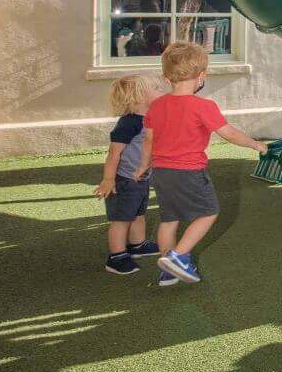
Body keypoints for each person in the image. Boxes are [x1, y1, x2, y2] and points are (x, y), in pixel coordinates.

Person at [135, 42, 268, 286]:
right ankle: (178, 256)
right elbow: (229, 134)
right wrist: (255, 144)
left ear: (166, 78)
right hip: (188, 172)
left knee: (169, 219)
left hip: (161, 172)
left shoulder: (157, 106)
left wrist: (143, 166)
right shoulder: (203, 106)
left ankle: (168, 271)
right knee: (208, 213)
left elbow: (148, 141)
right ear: (201, 76)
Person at [92, 75, 163, 275]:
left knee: (138, 214)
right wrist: (108, 179)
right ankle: (116, 257)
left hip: (141, 178)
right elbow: (113, 153)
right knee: (122, 219)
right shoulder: (129, 123)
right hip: (124, 181)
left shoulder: (149, 119)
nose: (161, 91)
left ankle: (137, 245)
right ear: (140, 97)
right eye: (156, 88)